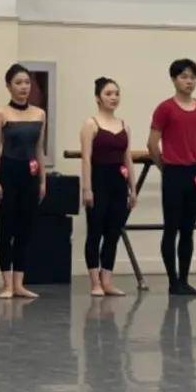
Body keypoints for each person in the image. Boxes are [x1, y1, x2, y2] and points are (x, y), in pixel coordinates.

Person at [147, 59, 196, 296]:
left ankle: (184, 279)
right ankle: (173, 281)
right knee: (171, 228)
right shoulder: (165, 108)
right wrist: (164, 167)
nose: (189, 81)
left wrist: (195, 158)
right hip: (173, 172)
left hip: (194, 172)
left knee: (188, 229)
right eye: (184, 77)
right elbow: (152, 143)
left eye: (192, 77)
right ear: (174, 79)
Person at [0, 63, 46, 299]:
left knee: (25, 229)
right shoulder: (0, 114)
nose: (24, 87)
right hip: (8, 172)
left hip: (29, 174)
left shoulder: (39, 114)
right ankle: (6, 284)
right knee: (6, 229)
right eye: (18, 83)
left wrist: (42, 181)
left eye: (27, 83)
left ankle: (19, 283)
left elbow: (39, 148)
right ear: (9, 86)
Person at [80, 77, 137, 297]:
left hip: (118, 183)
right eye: (108, 94)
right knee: (95, 232)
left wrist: (133, 188)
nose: (113, 98)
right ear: (98, 98)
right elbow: (86, 158)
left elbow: (127, 158)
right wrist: (87, 188)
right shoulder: (91, 124)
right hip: (98, 181)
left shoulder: (124, 125)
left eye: (116, 94)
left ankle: (107, 280)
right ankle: (95, 281)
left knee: (113, 233)